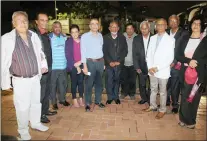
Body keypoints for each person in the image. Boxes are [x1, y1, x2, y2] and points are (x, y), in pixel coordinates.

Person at [1, 11, 49, 140]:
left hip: (35, 77)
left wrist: (43, 64)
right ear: (13, 23)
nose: (23, 23)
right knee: (22, 107)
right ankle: (23, 130)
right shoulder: (6, 38)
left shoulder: (33, 35)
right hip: (20, 79)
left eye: (25, 20)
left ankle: (35, 123)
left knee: (36, 103)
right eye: (19, 20)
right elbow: (3, 60)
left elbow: (40, 52)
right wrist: (4, 82)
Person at [176, 15, 207, 129]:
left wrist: (197, 62)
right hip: (185, 70)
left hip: (198, 72)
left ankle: (191, 121)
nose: (196, 26)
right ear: (190, 25)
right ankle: (183, 119)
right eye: (194, 23)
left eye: (199, 24)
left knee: (195, 97)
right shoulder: (185, 38)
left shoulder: (204, 40)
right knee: (184, 95)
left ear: (202, 26)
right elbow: (178, 55)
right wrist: (189, 61)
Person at [143, 18, 175, 119]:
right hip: (151, 69)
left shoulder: (170, 39)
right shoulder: (152, 38)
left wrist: (157, 68)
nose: (160, 26)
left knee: (162, 91)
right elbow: (148, 54)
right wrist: (150, 67)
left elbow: (170, 58)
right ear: (155, 26)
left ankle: (162, 110)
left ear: (166, 26)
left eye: (162, 25)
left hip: (162, 70)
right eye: (158, 25)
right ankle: (152, 106)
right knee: (153, 89)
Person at [32, 12, 57, 123]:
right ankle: (39, 115)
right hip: (40, 69)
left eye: (46, 20)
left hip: (49, 66)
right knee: (41, 93)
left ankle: (45, 110)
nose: (45, 22)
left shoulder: (46, 34)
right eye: (42, 20)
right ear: (36, 22)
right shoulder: (33, 34)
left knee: (47, 90)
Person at [81, 18, 105, 111]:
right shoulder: (85, 36)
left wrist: (103, 63)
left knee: (99, 83)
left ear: (98, 26)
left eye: (96, 24)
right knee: (89, 83)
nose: (95, 26)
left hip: (100, 62)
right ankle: (87, 103)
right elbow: (83, 52)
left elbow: (101, 49)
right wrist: (85, 66)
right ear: (90, 26)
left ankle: (98, 101)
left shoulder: (100, 36)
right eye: (92, 24)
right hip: (90, 63)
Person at [166, 14, 189, 113]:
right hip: (165, 64)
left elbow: (182, 50)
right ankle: (166, 100)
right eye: (171, 21)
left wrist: (174, 61)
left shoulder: (184, 33)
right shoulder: (166, 32)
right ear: (168, 23)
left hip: (176, 64)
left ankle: (175, 104)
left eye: (175, 21)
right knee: (166, 83)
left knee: (175, 85)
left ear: (178, 22)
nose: (173, 23)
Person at [103, 21, 128, 104]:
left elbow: (125, 51)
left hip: (119, 64)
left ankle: (116, 97)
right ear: (109, 28)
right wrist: (109, 62)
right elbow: (104, 51)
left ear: (118, 28)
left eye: (115, 27)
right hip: (109, 64)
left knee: (117, 80)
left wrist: (119, 61)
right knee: (109, 81)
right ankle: (110, 97)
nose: (114, 28)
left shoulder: (122, 37)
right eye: (112, 27)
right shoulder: (105, 38)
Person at [49, 21, 70, 110]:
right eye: (55, 27)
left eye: (59, 27)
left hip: (63, 66)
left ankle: (62, 99)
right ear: (52, 28)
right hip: (53, 67)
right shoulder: (49, 37)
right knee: (53, 85)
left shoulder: (64, 37)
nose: (57, 28)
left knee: (63, 85)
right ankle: (54, 102)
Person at [133, 21, 152, 104]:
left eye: (146, 28)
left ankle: (150, 99)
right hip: (141, 65)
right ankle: (144, 98)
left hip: (152, 66)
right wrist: (137, 67)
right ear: (140, 29)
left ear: (149, 28)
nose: (144, 30)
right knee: (142, 84)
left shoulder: (154, 37)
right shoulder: (136, 38)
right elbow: (134, 54)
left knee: (152, 85)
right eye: (142, 29)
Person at [65, 24, 85, 107]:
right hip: (72, 65)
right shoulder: (68, 42)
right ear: (70, 33)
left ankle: (81, 98)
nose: (74, 34)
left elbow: (86, 53)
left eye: (76, 32)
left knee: (81, 82)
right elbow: (68, 55)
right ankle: (74, 99)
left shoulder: (83, 41)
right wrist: (76, 66)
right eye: (72, 32)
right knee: (74, 82)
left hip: (82, 63)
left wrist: (80, 63)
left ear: (79, 32)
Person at [120, 23, 137, 100]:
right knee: (123, 79)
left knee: (132, 80)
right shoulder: (122, 37)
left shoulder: (137, 37)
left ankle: (132, 93)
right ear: (125, 29)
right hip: (123, 63)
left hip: (134, 63)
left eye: (131, 28)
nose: (129, 30)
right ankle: (123, 93)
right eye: (127, 28)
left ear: (133, 29)